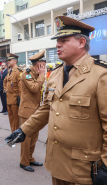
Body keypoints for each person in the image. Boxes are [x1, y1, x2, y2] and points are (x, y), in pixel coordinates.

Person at [6, 15, 107, 185]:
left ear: (82, 42)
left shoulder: (101, 75)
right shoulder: (56, 74)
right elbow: (46, 108)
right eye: (57, 40)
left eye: (64, 40)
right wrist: (24, 130)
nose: (57, 45)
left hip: (85, 170)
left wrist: (106, 166)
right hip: (57, 163)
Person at [18, 50, 46, 172]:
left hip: (35, 110)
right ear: (38, 64)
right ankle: (23, 162)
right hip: (27, 111)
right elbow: (34, 88)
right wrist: (42, 76)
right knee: (26, 138)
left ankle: (30, 157)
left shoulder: (36, 74)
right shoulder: (27, 74)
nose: (44, 66)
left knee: (34, 136)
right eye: (43, 64)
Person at [4, 53, 23, 132]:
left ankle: (17, 133)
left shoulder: (18, 71)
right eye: (7, 60)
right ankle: (13, 132)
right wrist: (5, 89)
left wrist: (21, 99)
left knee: (16, 118)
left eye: (10, 60)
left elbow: (20, 87)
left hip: (15, 99)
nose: (8, 62)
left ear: (15, 61)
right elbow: (5, 81)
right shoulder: (10, 71)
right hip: (9, 98)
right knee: (11, 118)